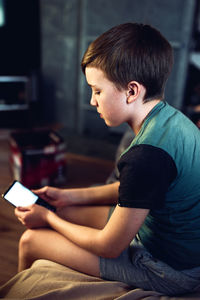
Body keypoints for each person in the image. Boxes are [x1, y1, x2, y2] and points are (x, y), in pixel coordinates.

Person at [14, 23, 200, 296]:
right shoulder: (174, 120)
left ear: (132, 91)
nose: (92, 101)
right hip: (168, 240)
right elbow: (137, 192)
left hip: (171, 270)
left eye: (97, 91)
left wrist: (48, 219)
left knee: (31, 240)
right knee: (59, 210)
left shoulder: (146, 156)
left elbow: (109, 247)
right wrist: (68, 198)